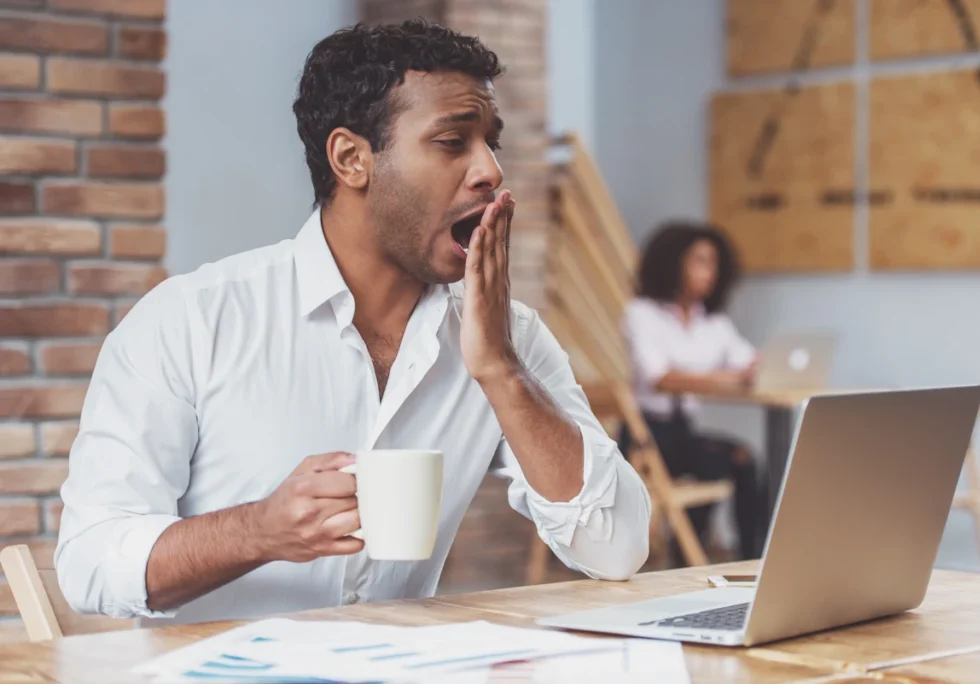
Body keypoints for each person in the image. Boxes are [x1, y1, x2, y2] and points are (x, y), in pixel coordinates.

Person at [54, 20, 651, 626]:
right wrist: (257, 531)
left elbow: (617, 547)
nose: (490, 171)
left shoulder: (506, 339)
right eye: (453, 142)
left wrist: (501, 372)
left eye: (491, 143)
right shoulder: (190, 320)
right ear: (351, 159)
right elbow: (90, 562)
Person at [619, 221, 766, 561]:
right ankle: (687, 558)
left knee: (743, 460)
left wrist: (760, 367)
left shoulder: (714, 324)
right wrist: (725, 378)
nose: (709, 272)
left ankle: (753, 559)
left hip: (685, 433)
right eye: (699, 261)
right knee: (715, 463)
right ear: (673, 263)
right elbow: (659, 377)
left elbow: (746, 363)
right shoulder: (642, 314)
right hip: (647, 436)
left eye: (714, 263)